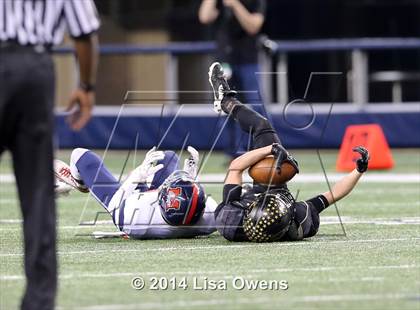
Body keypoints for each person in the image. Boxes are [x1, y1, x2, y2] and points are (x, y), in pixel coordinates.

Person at [0, 1, 99, 309]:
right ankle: (39, 301)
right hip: (34, 69)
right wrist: (86, 85)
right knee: (38, 195)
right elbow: (84, 32)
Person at [208, 62, 370, 242]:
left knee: (261, 126)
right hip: (270, 193)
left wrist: (270, 149)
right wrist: (358, 171)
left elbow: (235, 168)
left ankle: (225, 100)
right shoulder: (299, 220)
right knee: (263, 129)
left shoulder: (230, 220)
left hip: (244, 204)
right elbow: (332, 195)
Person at [54, 146, 217, 239]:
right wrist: (190, 179)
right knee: (169, 157)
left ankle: (79, 181)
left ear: (159, 198)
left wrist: (135, 177)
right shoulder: (210, 216)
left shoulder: (136, 220)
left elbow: (115, 205)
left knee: (80, 155)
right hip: (156, 209)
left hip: (125, 201)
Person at [199, 0, 266, 156]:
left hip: (248, 59)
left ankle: (263, 147)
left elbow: (253, 26)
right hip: (225, 59)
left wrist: (235, 4)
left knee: (255, 104)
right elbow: (204, 17)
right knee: (226, 106)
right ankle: (233, 152)